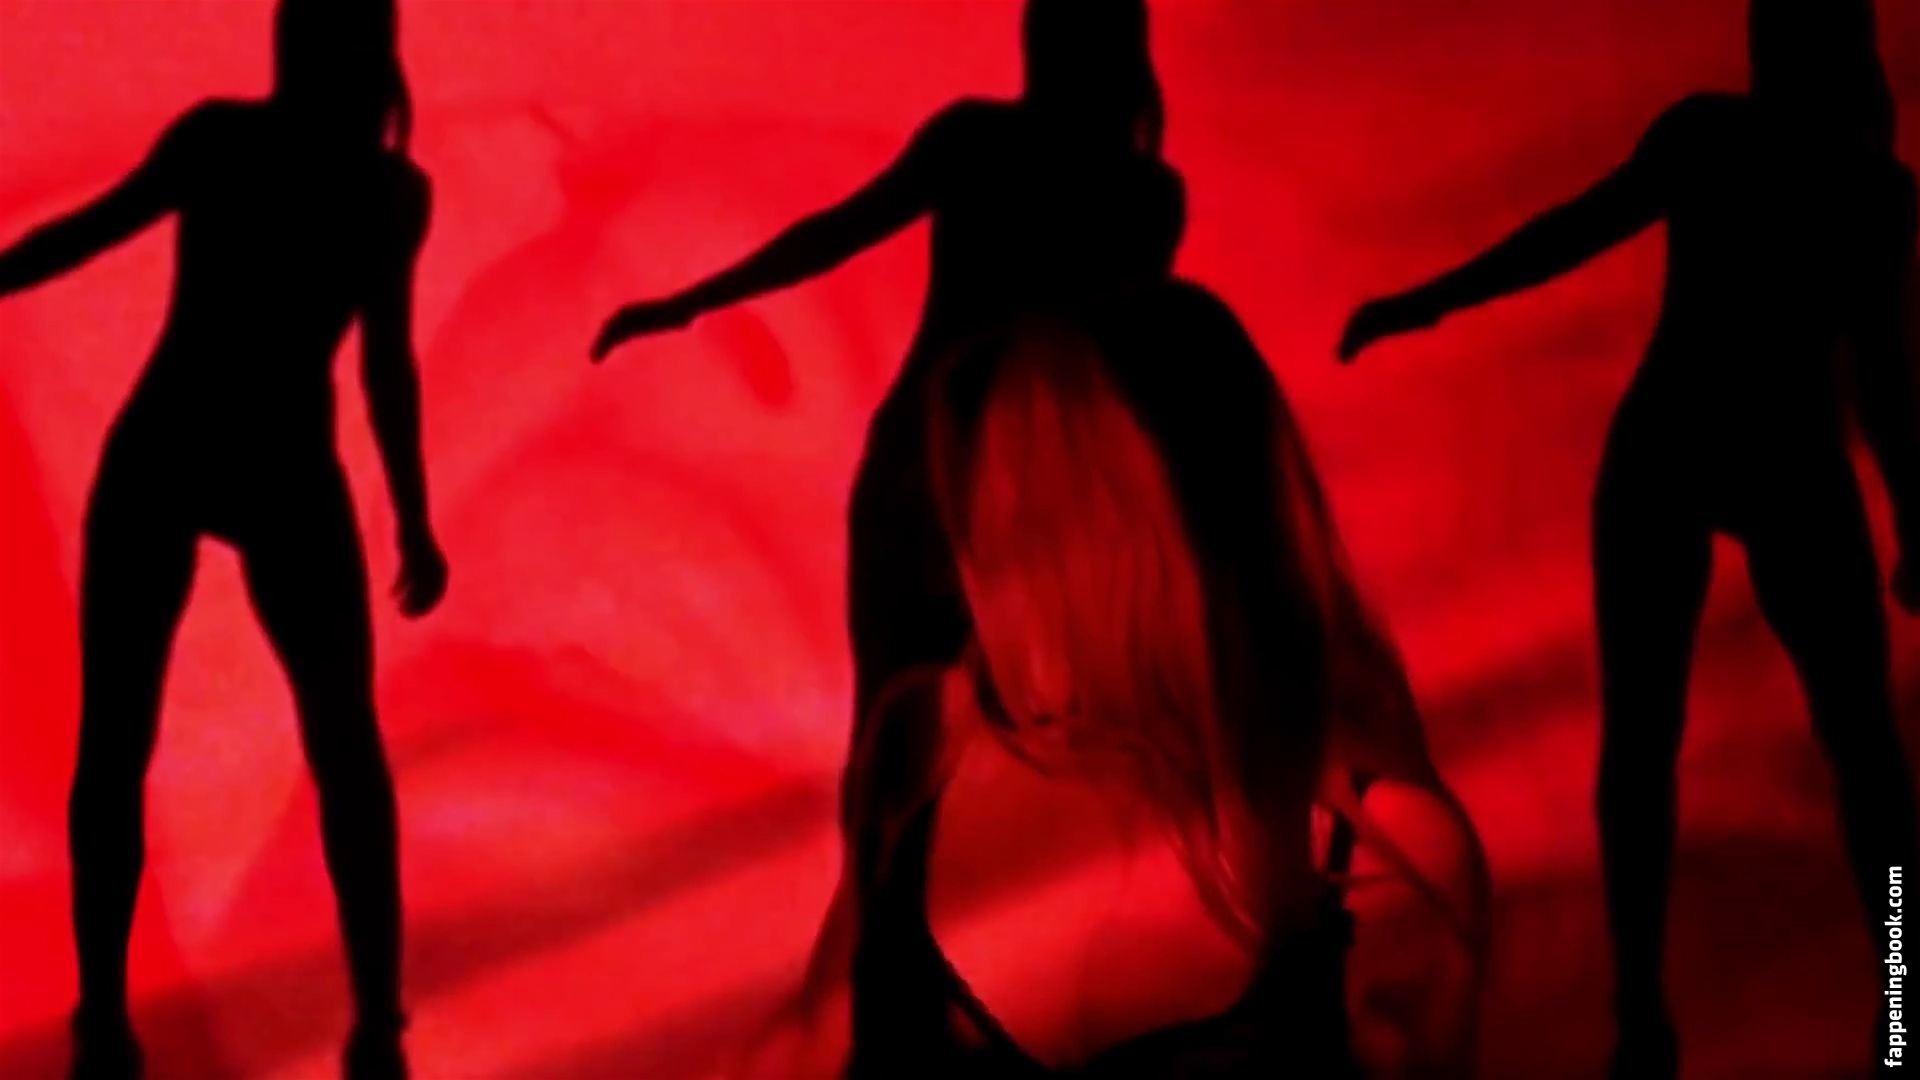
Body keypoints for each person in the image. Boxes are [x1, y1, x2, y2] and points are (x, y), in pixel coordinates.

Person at [1338, 1, 1920, 1074]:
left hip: (1741, 450)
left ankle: (1890, 1015)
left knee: (1843, 754)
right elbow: (1573, 232)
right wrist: (1428, 302)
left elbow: (1882, 378)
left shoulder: (1836, 182)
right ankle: (1666, 1017)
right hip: (1696, 446)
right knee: (1731, 745)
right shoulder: (1796, 166)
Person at [737, 289, 1488, 1077]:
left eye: (1037, 542)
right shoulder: (929, 744)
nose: (998, 606)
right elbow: (809, 1048)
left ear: (1191, 537)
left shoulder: (1381, 854)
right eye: (980, 546)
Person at [0, 1, 446, 1075]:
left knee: (158, 741)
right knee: (308, 745)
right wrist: (413, 517)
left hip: (205, 447)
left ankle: (137, 1019)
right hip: (238, 453)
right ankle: (354, 1026)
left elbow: (385, 361)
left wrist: (417, 514)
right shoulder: (375, 187)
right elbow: (382, 363)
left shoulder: (276, 157)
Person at [590, 0, 1185, 778]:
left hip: (954, 462)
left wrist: (688, 303)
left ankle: (896, 850)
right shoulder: (1140, 194)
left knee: (903, 718)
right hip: (1004, 476)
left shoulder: (990, 144)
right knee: (957, 726)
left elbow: (835, 234)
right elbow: (1129, 373)